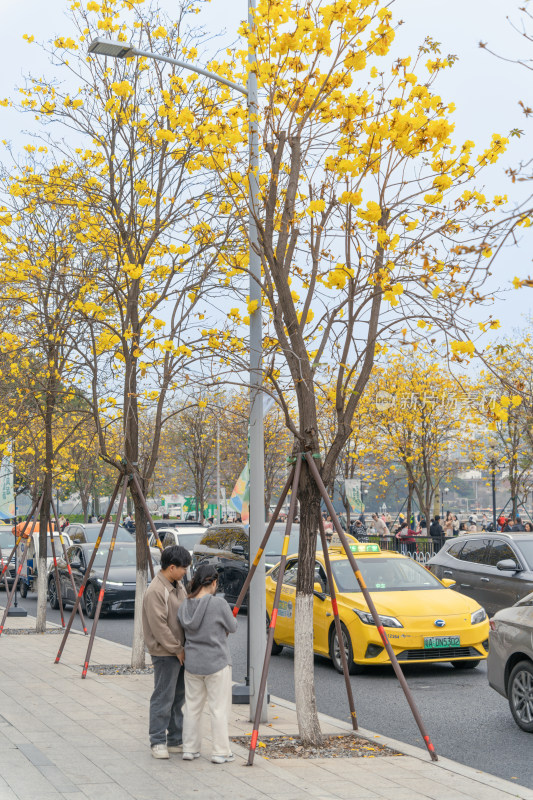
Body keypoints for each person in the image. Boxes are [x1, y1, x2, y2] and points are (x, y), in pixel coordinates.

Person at [178, 564, 238, 764]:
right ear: (213, 582)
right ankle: (220, 751)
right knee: (218, 709)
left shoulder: (185, 605)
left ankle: (189, 748)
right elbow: (233, 626)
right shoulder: (218, 604)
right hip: (216, 663)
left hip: (193, 664)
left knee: (192, 708)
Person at [142, 544, 191, 760]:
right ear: (171, 567)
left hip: (179, 651)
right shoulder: (156, 590)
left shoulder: (178, 585)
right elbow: (159, 626)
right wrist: (177, 649)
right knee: (163, 696)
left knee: (178, 697)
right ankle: (157, 741)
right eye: (183, 568)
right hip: (165, 653)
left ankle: (174, 739)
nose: (186, 572)